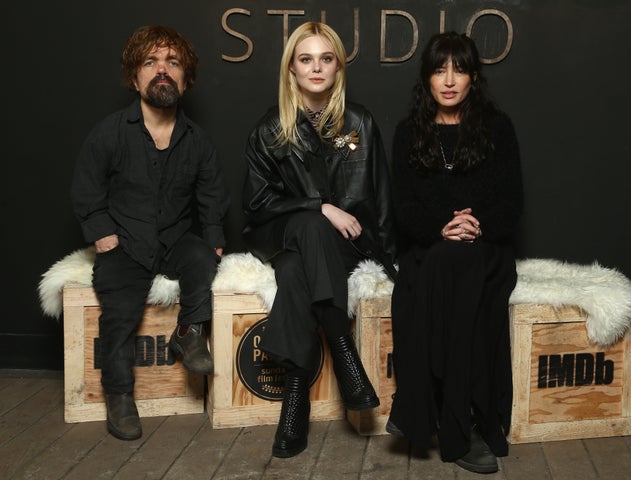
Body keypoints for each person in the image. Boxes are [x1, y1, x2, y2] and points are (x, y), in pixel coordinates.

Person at [242, 21, 396, 458]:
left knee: (295, 273)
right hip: (281, 230)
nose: (316, 68)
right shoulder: (270, 129)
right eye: (306, 59)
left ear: (338, 67)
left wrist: (390, 260)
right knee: (310, 227)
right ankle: (344, 353)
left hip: (342, 245)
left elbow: (381, 199)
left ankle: (295, 398)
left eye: (326, 59)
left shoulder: (359, 123)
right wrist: (317, 206)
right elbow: (255, 205)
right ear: (291, 68)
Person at [71, 25, 229, 441]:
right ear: (134, 76)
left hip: (175, 238)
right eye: (151, 62)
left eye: (173, 63)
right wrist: (102, 234)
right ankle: (119, 397)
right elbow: (87, 186)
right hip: (124, 244)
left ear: (186, 78)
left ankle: (188, 334)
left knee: (202, 259)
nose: (162, 70)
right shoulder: (110, 131)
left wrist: (212, 237)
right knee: (119, 319)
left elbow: (212, 192)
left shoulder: (197, 140)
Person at [387, 32, 523, 474]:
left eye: (459, 70)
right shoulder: (409, 132)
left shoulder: (497, 128)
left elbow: (510, 204)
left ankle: (430, 412)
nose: (449, 80)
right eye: (439, 69)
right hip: (429, 249)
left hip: (485, 252)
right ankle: (460, 424)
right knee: (444, 264)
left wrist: (473, 225)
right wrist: (442, 228)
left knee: (459, 264)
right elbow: (403, 208)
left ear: (473, 78)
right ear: (426, 77)